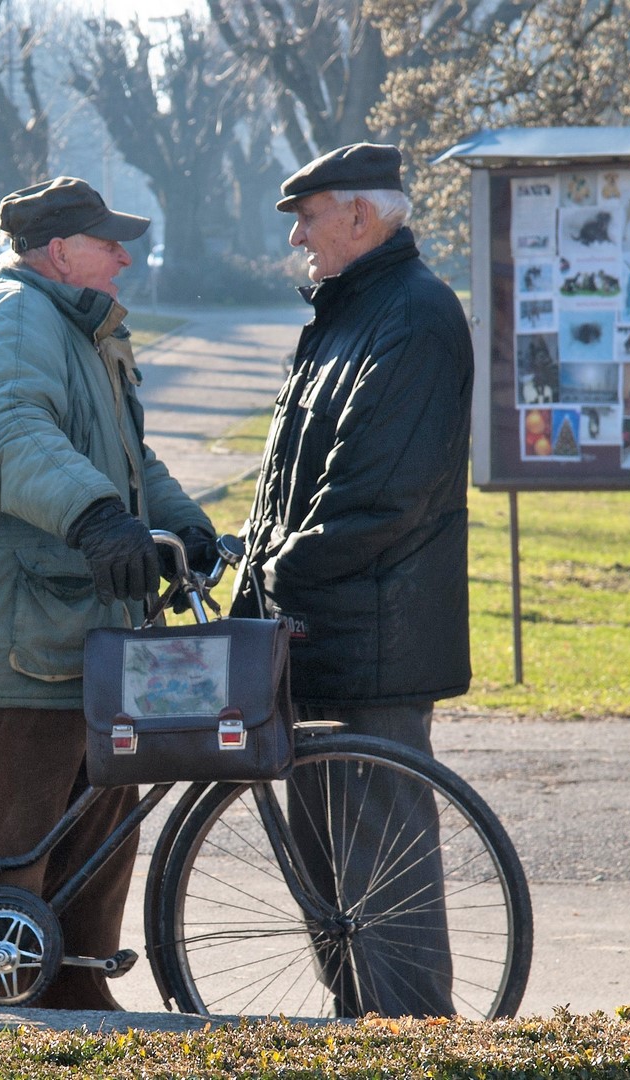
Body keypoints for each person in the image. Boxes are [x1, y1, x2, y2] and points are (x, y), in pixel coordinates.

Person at [0, 176, 216, 1010]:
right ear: (57, 251)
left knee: (96, 836)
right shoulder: (12, 319)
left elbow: (129, 462)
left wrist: (187, 529)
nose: (125, 255)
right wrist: (95, 520)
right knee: (8, 863)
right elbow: (3, 434)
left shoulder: (77, 328)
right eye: (107, 241)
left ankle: (79, 1004)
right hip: (14, 642)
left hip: (79, 635)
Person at [231, 143, 474, 1017]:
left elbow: (379, 496)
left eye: (308, 215)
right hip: (321, 635)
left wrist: (273, 566)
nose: (297, 235)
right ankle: (360, 1034)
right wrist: (253, 560)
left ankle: (412, 1044)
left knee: (382, 882)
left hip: (375, 643)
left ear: (361, 216)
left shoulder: (411, 316)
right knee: (331, 886)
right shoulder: (347, 313)